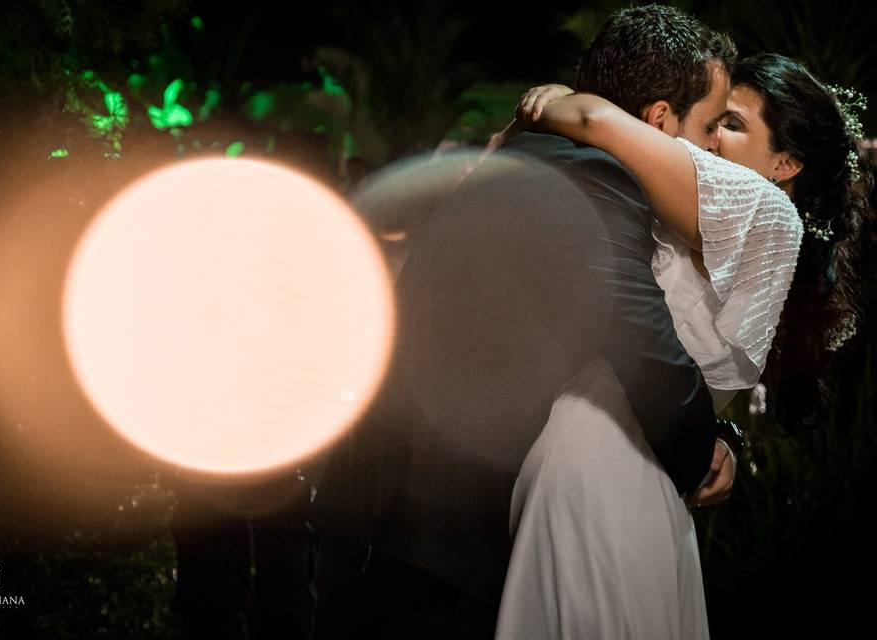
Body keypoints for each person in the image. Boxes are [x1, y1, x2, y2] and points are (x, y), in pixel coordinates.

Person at [311, 6, 741, 638]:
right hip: (435, 545)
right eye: (706, 127)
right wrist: (706, 449)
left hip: (392, 520)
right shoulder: (596, 178)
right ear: (657, 119)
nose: (708, 150)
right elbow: (643, 344)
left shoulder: (539, 148)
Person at [493, 49, 870, 639]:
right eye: (715, 116)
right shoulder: (720, 217)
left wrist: (554, 96)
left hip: (601, 463)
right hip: (638, 474)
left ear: (786, 163)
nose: (712, 136)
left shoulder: (764, 211)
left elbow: (593, 122)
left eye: (733, 123)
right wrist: (725, 430)